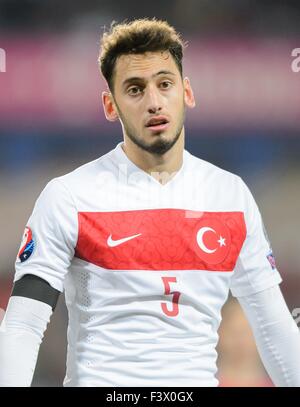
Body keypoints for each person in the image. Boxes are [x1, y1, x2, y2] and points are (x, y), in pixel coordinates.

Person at [0, 18, 300, 387]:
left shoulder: (230, 196)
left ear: (186, 92)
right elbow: (24, 324)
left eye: (164, 84)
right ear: (111, 106)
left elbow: (273, 326)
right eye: (135, 89)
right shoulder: (69, 197)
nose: (154, 102)